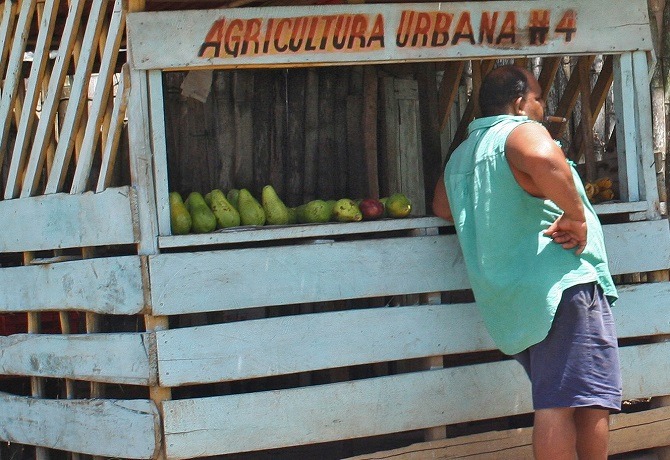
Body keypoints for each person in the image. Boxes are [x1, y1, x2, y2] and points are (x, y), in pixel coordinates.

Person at [432, 65, 621, 460]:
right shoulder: (518, 131)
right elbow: (544, 159)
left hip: (516, 300)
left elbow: (442, 206)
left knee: (575, 399)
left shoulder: (464, 153)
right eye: (537, 99)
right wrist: (575, 216)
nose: (539, 108)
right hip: (561, 286)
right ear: (519, 103)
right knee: (568, 402)